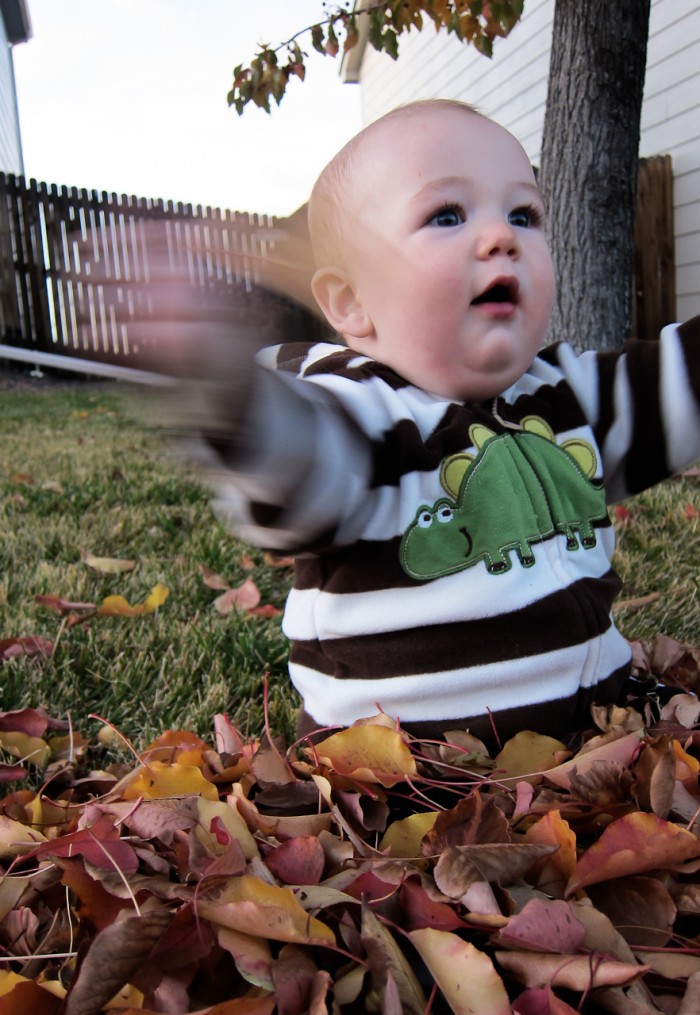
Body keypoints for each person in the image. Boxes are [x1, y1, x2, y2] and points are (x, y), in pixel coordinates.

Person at [176, 99, 700, 752]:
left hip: (599, 739)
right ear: (351, 301)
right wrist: (231, 397)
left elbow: (677, 387)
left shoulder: (566, 395)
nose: (501, 236)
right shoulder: (356, 412)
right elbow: (295, 471)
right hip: (406, 774)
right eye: (447, 215)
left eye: (523, 214)